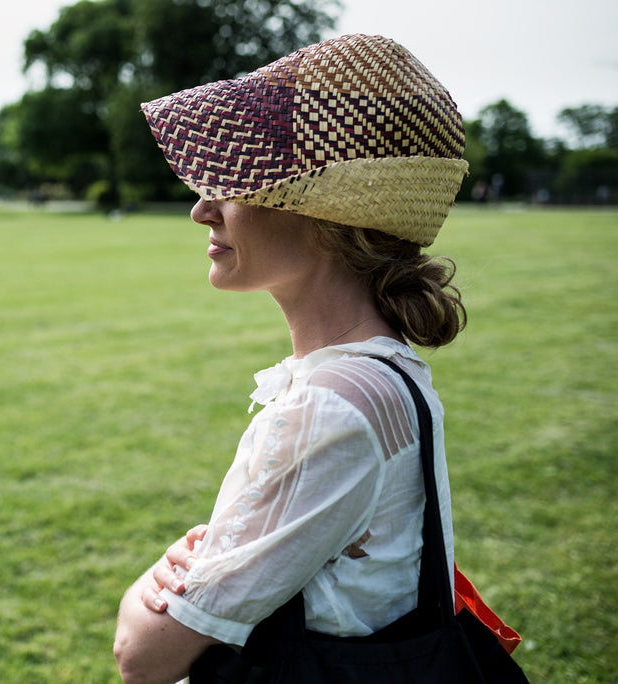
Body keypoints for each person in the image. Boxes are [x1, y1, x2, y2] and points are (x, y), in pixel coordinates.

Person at [113, 34, 469, 684]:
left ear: (327, 212)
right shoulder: (389, 371)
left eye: (233, 181)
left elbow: (143, 656)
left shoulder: (329, 406)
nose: (201, 209)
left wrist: (144, 588)